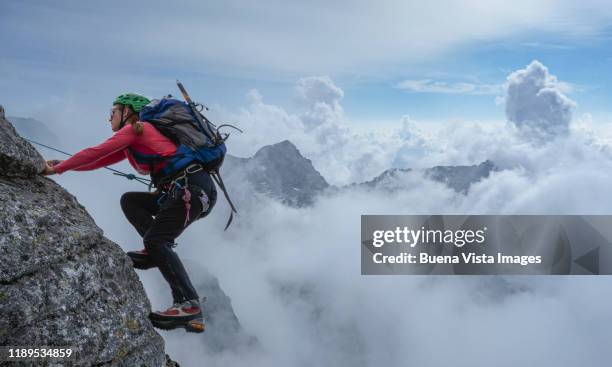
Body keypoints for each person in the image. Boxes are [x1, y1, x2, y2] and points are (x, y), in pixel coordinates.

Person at [42, 93, 216, 333]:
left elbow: (95, 151)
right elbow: (98, 160)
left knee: (158, 240)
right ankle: (155, 255)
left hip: (190, 190)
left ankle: (189, 304)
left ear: (127, 112)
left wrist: (58, 169)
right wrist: (63, 165)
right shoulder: (133, 139)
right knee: (131, 201)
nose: (109, 117)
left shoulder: (137, 129)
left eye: (113, 111)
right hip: (189, 192)